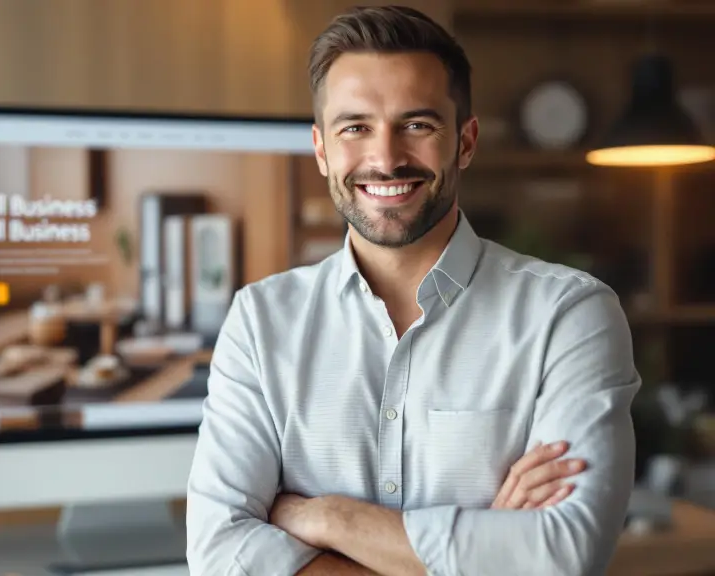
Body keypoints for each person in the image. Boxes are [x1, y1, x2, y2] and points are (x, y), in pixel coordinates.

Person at [185, 5, 640, 576]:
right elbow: (218, 552)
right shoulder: (260, 321)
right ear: (322, 148)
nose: (385, 157)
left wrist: (328, 519)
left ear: (466, 142)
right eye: (356, 127)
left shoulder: (569, 316)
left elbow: (563, 556)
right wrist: (480, 553)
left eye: (417, 125)